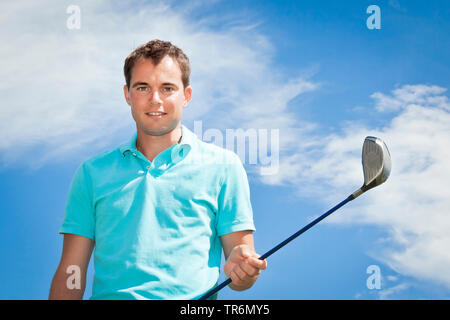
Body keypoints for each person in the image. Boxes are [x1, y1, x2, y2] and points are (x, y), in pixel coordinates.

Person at [49, 39, 267, 300]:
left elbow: (240, 259)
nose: (155, 100)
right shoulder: (91, 173)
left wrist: (242, 270)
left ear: (186, 95)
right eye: (143, 87)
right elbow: (71, 270)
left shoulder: (224, 167)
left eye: (167, 88)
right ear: (127, 94)